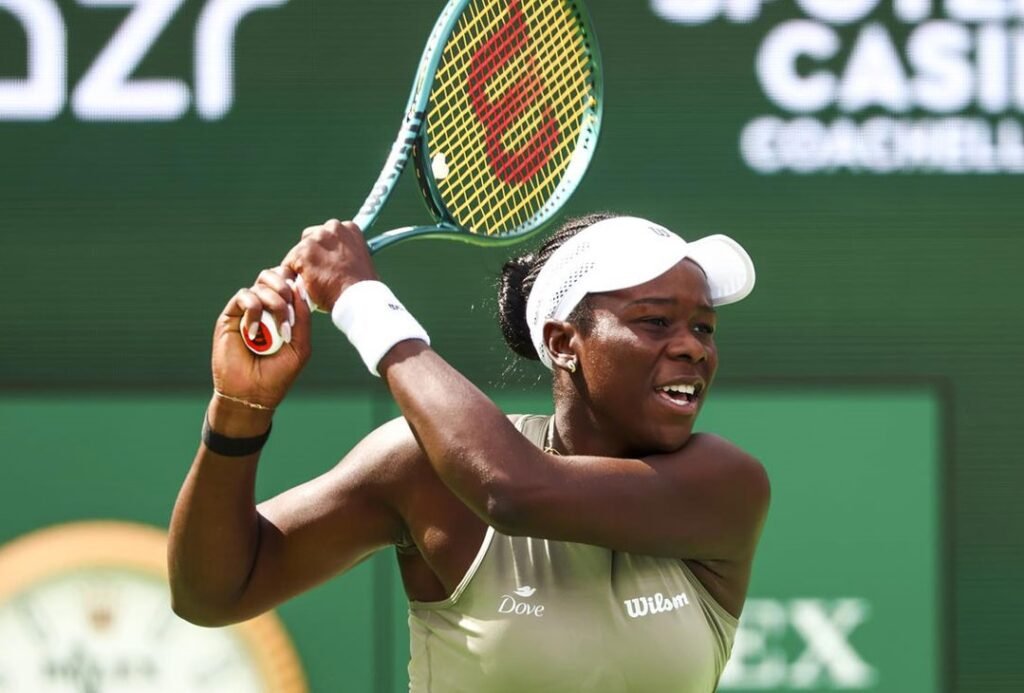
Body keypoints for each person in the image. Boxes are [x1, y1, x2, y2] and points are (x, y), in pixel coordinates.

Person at [168, 212, 770, 692]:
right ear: (563, 342)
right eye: (656, 322)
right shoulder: (422, 470)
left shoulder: (726, 485)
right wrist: (238, 411)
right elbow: (213, 592)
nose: (693, 347)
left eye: (704, 327)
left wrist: (361, 300)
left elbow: (511, 490)